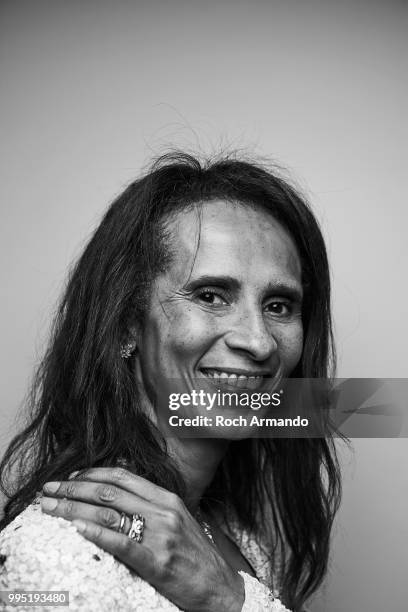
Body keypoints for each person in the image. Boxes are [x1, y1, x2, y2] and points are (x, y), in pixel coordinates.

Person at [0, 152, 341, 612]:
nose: (259, 342)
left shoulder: (231, 532)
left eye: (279, 305)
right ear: (125, 325)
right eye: (211, 295)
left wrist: (229, 596)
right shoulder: (58, 556)